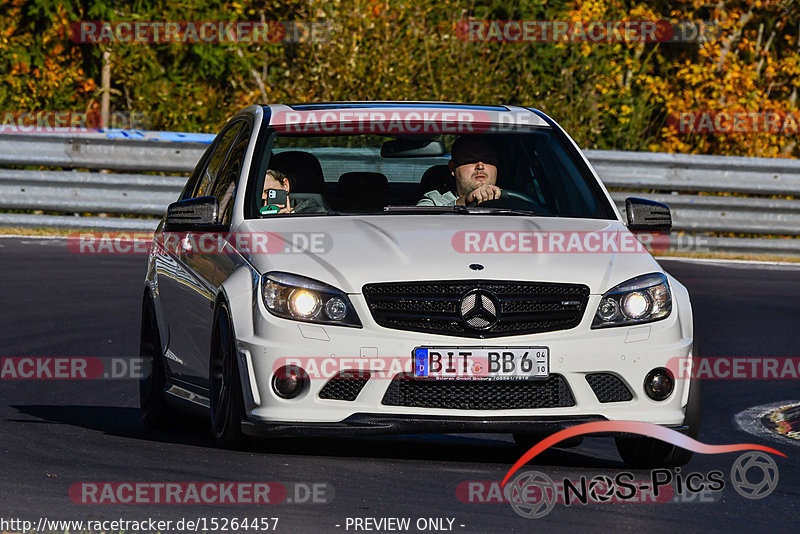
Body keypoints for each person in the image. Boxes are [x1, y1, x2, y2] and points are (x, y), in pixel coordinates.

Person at [417, 136, 502, 206]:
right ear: (452, 168)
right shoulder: (434, 201)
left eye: (488, 160)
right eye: (470, 160)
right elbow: (420, 222)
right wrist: (465, 201)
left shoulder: (512, 201)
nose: (480, 166)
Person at [261, 169, 326, 214]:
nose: (263, 198)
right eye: (258, 194)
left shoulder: (313, 212)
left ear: (285, 185)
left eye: (269, 192)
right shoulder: (252, 214)